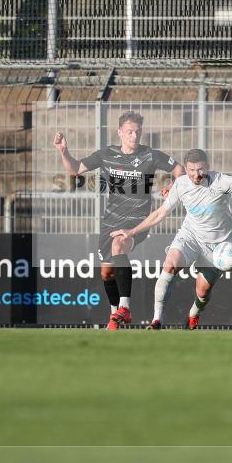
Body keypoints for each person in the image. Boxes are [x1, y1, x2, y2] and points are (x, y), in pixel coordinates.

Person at [110, 148, 232, 329]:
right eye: (192, 170)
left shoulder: (222, 182)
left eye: (201, 169)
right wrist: (132, 231)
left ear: (208, 167)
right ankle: (157, 320)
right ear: (186, 170)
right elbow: (160, 213)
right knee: (169, 265)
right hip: (190, 237)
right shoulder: (181, 184)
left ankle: (193, 315)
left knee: (202, 292)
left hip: (218, 245)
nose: (197, 175)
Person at [54, 111, 184, 329]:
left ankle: (125, 308)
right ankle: (115, 315)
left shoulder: (150, 155)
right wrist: (64, 151)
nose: (134, 136)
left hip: (137, 220)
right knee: (107, 273)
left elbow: (179, 170)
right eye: (130, 132)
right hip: (110, 220)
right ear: (120, 133)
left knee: (119, 245)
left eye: (138, 132)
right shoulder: (107, 154)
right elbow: (76, 168)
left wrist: (171, 187)